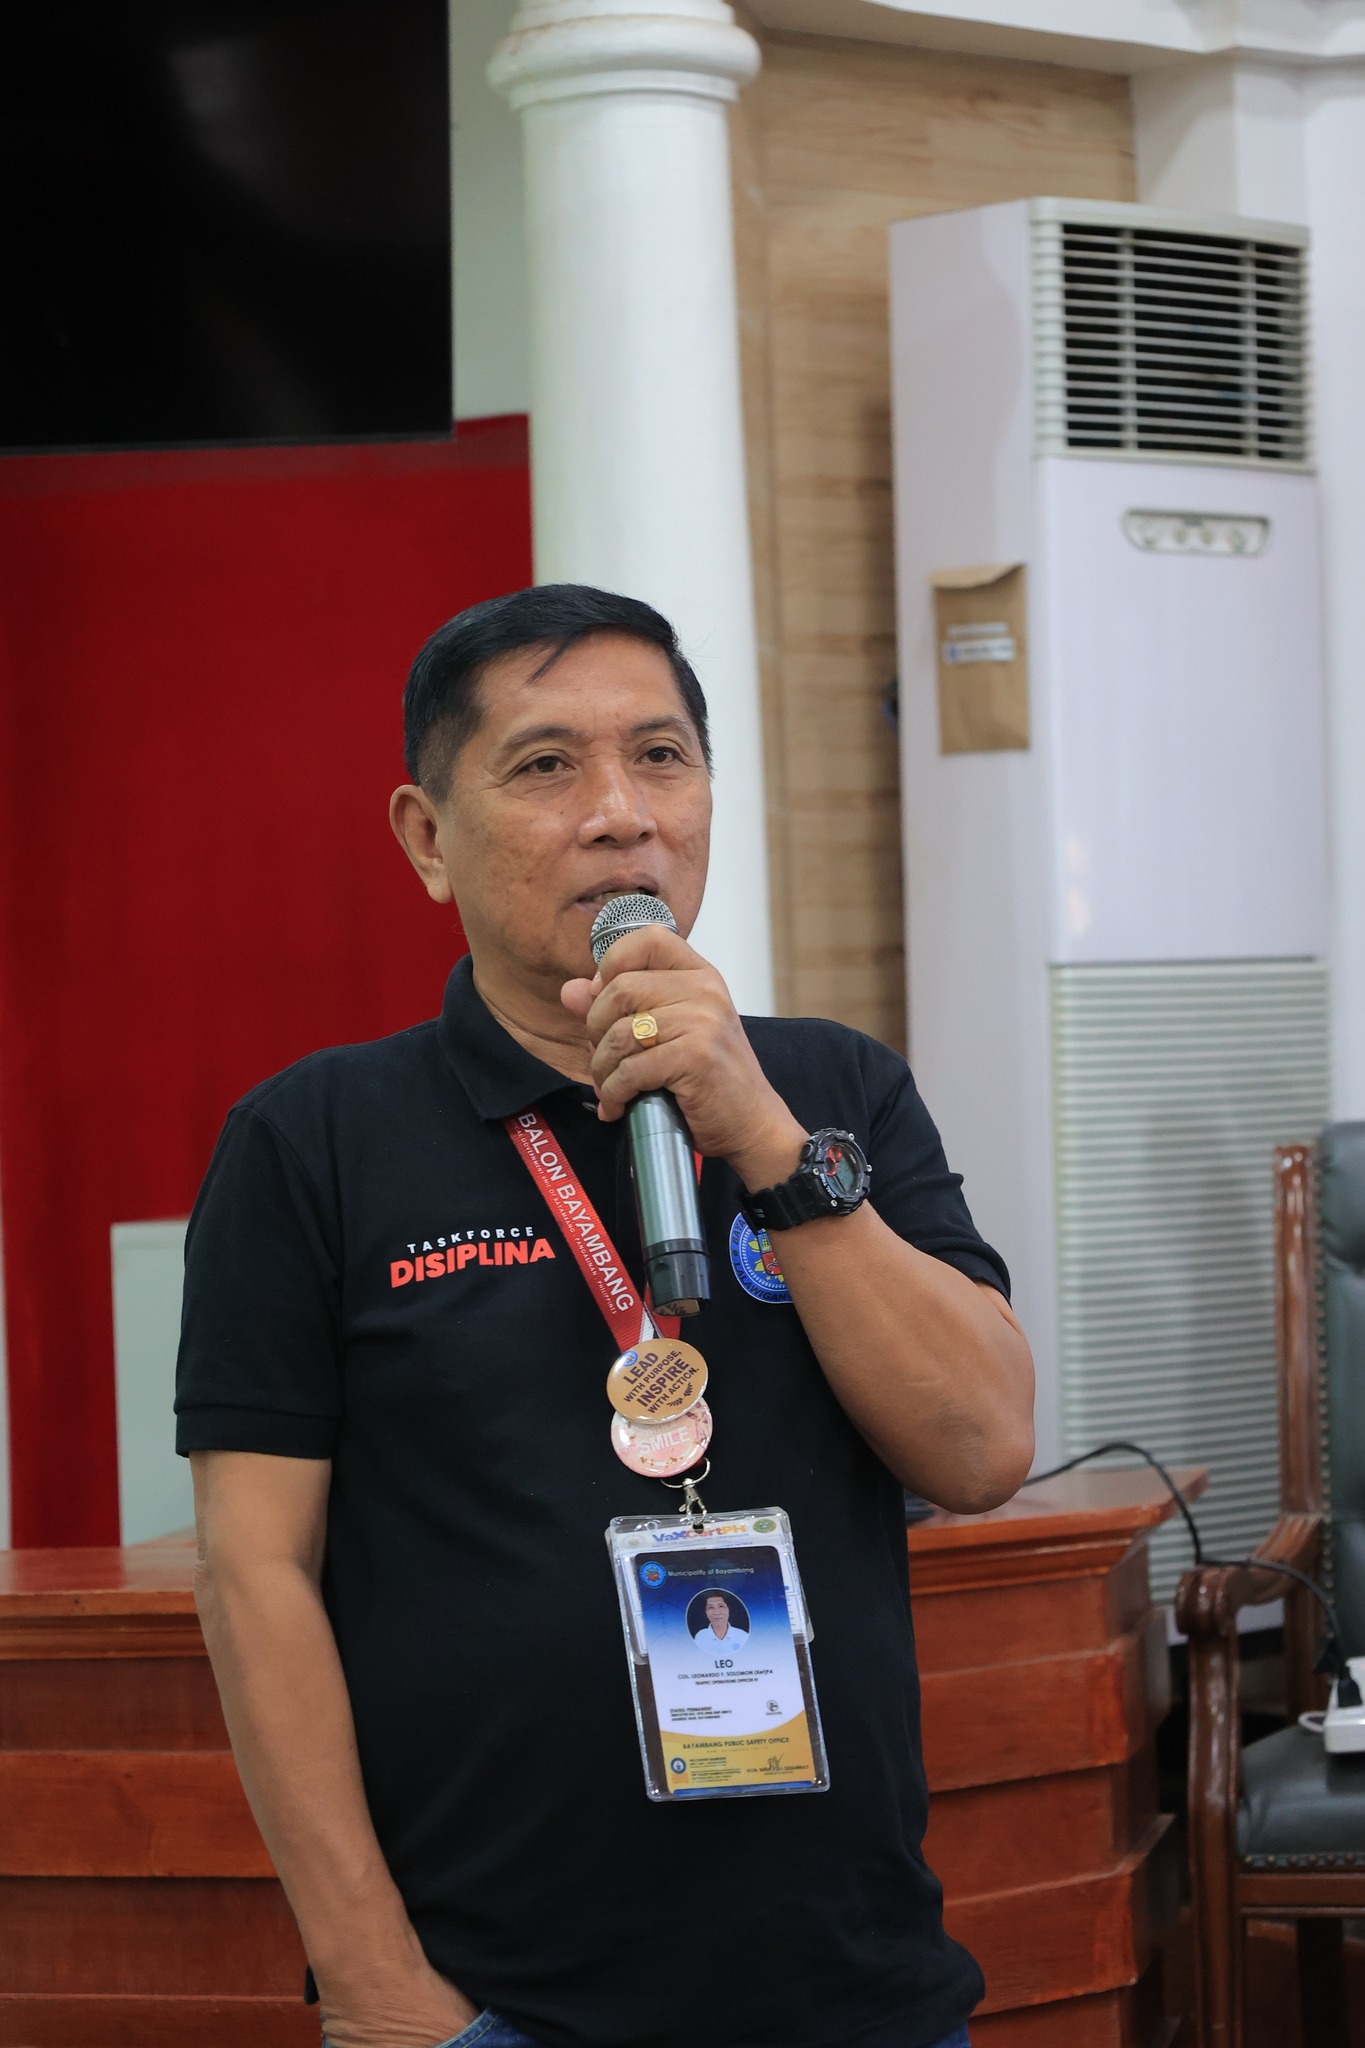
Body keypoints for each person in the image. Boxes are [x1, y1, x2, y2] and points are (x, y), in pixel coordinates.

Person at [176, 583, 1034, 2048]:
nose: (622, 815)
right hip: (497, 2001)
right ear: (427, 839)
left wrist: (764, 1139)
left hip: (853, 1984)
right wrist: (374, 1982)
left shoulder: (835, 1092)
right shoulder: (311, 1141)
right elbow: (255, 1577)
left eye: (661, 757)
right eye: (545, 765)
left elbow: (980, 1449)